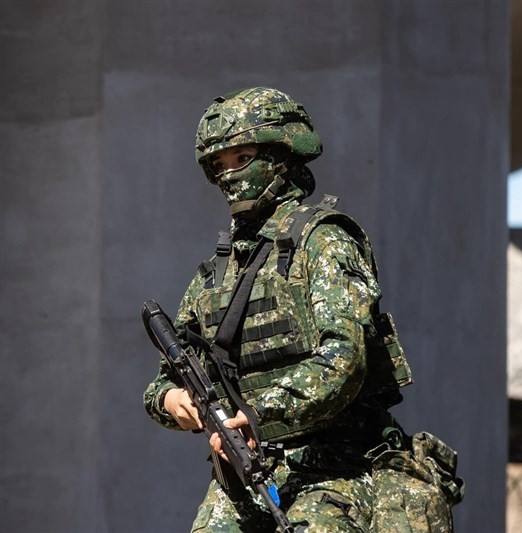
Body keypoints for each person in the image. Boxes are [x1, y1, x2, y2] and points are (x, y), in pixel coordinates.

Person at [143, 87, 462, 532]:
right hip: (244, 474)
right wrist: (175, 401)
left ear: (280, 155)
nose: (229, 175)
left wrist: (258, 413)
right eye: (218, 165)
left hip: (337, 469)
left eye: (242, 158)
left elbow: (344, 358)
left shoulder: (323, 241)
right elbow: (165, 379)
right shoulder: (218, 272)